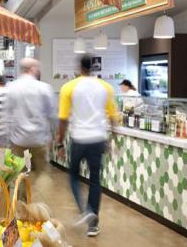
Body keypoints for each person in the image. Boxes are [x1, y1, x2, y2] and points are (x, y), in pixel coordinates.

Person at [57, 54, 118, 237]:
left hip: (78, 139)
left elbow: (63, 119)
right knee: (95, 180)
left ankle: (85, 209)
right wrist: (112, 139)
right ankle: (93, 224)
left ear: (79, 68)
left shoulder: (68, 87)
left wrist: (60, 143)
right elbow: (112, 117)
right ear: (94, 67)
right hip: (98, 139)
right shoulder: (105, 87)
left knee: (73, 176)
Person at [4, 59, 55, 171]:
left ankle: (24, 187)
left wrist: (7, 139)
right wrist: (51, 136)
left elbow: (7, 115)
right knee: (42, 174)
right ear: (32, 69)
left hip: (19, 141)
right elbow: (50, 114)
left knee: (22, 173)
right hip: (39, 141)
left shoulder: (11, 87)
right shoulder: (44, 88)